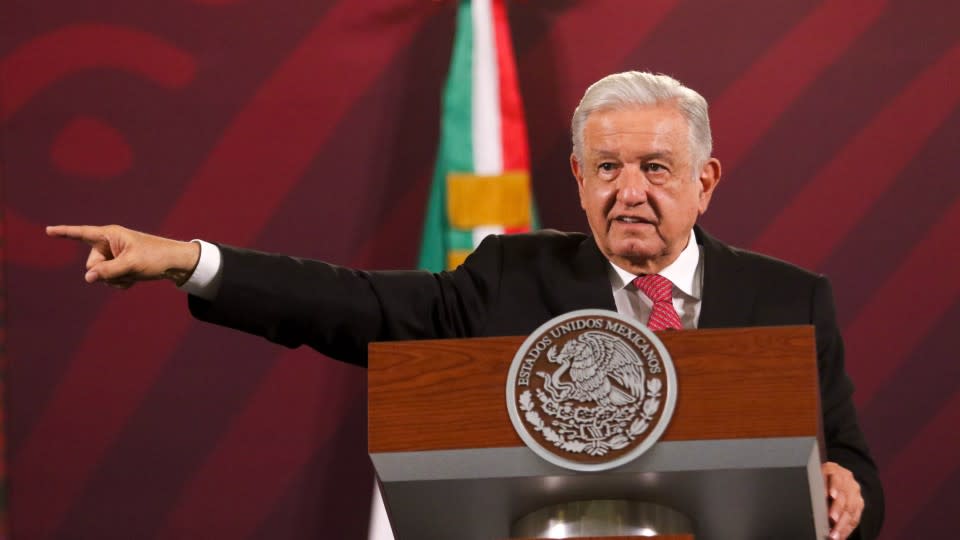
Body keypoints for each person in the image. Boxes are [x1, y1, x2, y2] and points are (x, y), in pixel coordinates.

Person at [48, 71, 882, 540]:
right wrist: (192, 262)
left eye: (656, 169)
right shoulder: (514, 278)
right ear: (579, 180)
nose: (630, 192)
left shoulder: (789, 299)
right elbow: (357, 306)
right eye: (606, 168)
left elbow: (849, 462)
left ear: (705, 181)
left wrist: (848, 490)